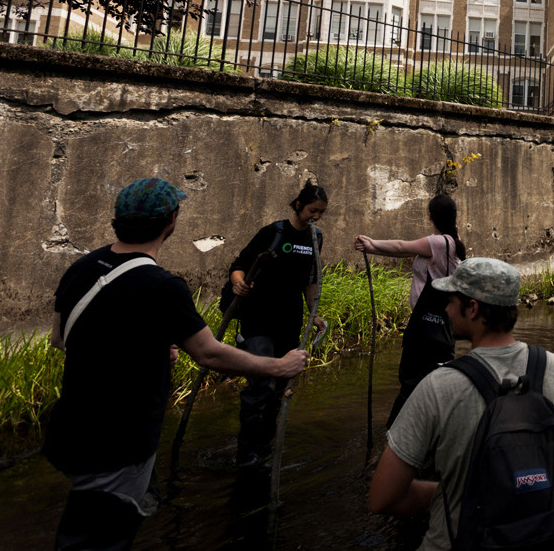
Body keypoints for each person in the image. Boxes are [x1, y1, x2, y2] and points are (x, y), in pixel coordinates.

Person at [46, 178, 309, 550]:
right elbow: (209, 353)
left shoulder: (84, 265)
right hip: (119, 439)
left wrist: (147, 348)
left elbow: (60, 339)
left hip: (70, 429)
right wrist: (279, 367)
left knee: (86, 523)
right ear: (172, 220)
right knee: (98, 539)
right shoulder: (162, 285)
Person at [368, 258, 554, 550]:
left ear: (472, 308)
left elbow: (382, 497)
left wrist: (448, 492)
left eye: (451, 300)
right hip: (547, 537)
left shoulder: (438, 386)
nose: (445, 309)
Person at [227, 181, 328, 468]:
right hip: (259, 317)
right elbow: (239, 264)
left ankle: (265, 447)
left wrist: (314, 313)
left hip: (289, 321)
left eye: (321, 213)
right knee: (259, 384)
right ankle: (246, 453)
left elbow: (311, 280)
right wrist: (238, 284)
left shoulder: (316, 239)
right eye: (312, 210)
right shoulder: (274, 232)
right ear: (298, 205)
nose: (316, 217)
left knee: (278, 389)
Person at [353, 193, 465, 426]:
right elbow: (405, 250)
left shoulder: (438, 242)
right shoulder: (450, 241)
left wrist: (372, 243)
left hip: (426, 326)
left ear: (431, 216)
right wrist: (372, 247)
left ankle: (395, 435)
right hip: (437, 323)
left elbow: (401, 246)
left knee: (412, 381)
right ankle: (430, 428)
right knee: (431, 378)